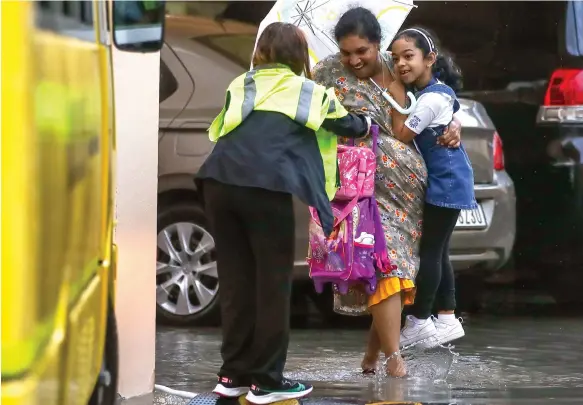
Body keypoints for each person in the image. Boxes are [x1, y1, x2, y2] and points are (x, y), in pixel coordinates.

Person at [196, 22, 371, 404]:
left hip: (218, 182)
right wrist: (368, 121)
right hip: (263, 187)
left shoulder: (242, 83)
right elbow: (348, 125)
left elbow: (223, 128)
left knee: (237, 281)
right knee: (272, 284)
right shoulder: (307, 90)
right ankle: (268, 380)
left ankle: (233, 374)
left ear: (261, 52)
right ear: (297, 55)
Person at [311, 7, 462, 377]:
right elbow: (312, 117)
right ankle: (395, 360)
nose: (353, 59)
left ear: (377, 45)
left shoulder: (399, 67)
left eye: (361, 51)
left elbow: (439, 100)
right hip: (363, 187)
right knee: (384, 266)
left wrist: (454, 121)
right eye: (346, 52)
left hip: (411, 188)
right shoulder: (327, 73)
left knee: (397, 269)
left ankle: (371, 357)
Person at [390, 27, 476, 348]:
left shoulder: (428, 99)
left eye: (408, 57)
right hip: (451, 179)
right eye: (396, 58)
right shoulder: (435, 92)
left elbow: (402, 135)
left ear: (430, 59)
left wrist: (394, 91)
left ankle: (420, 321)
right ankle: (448, 317)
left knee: (429, 251)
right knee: (439, 251)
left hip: (447, 181)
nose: (401, 64)